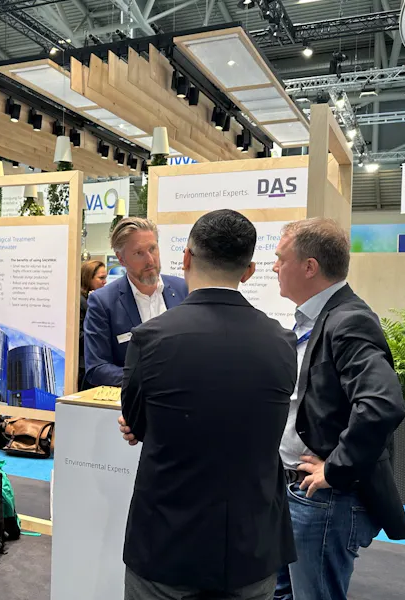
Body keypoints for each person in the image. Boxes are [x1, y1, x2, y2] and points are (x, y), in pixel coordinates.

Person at [121, 210, 296, 600]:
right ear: (249, 271)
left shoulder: (150, 339)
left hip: (166, 542)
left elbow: (137, 425)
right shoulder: (282, 341)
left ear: (185, 259)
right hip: (251, 546)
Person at [271, 218, 405, 600]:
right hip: (299, 491)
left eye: (280, 258)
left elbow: (382, 403)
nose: (273, 267)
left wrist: (336, 468)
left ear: (309, 267)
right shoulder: (322, 318)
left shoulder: (349, 320)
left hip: (325, 500)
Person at [83, 218, 187, 387]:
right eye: (139, 253)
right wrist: (148, 379)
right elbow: (97, 368)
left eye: (153, 249)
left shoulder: (183, 289)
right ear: (121, 259)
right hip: (134, 405)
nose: (150, 260)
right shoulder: (103, 302)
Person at [79, 260, 107, 390]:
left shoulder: (97, 300)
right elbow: (77, 336)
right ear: (87, 278)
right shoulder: (81, 302)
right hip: (83, 366)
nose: (105, 282)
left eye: (105, 277)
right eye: (101, 278)